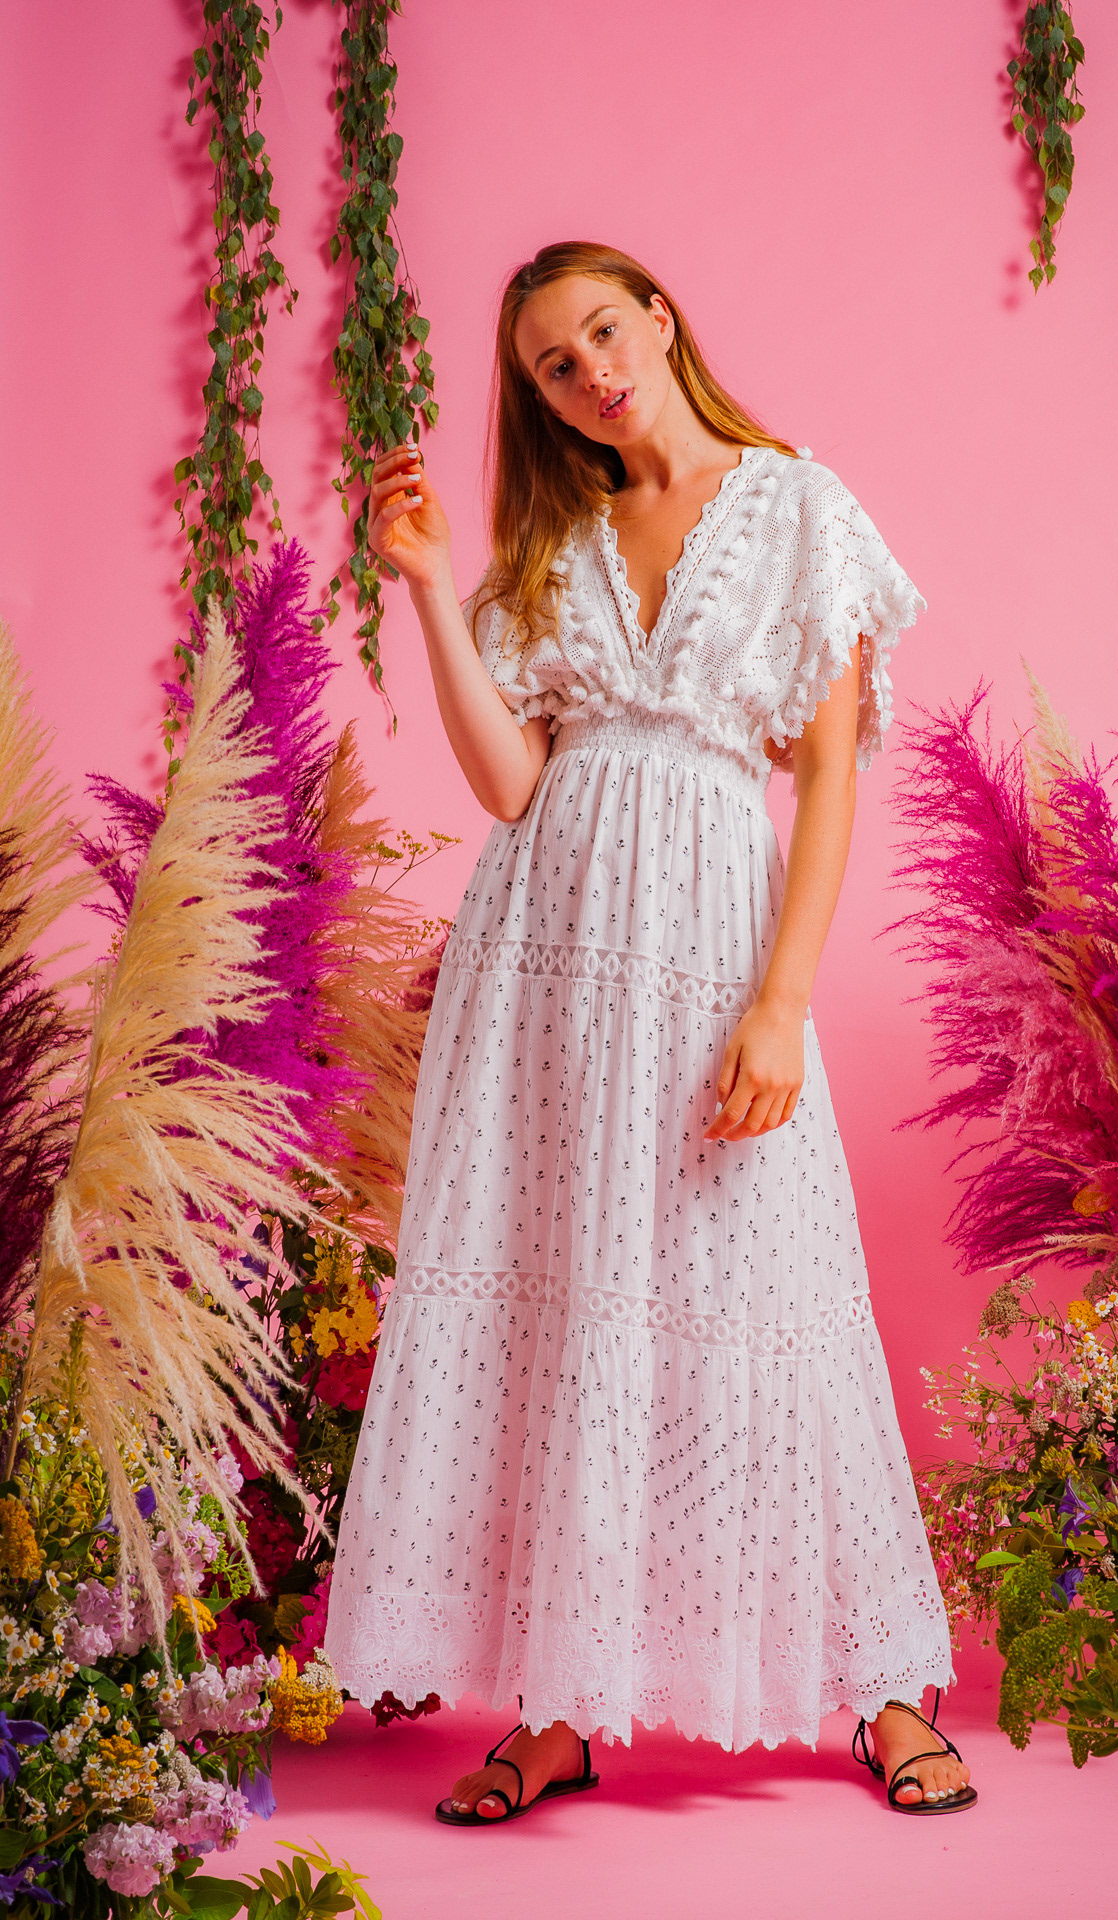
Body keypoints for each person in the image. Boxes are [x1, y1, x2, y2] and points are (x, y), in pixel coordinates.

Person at [323, 241, 976, 1821]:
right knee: (565, 1307)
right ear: (537, 397)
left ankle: (883, 1689)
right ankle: (561, 1708)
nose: (591, 374)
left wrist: (780, 1003)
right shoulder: (557, 539)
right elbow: (508, 783)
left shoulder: (799, 507)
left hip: (711, 954)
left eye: (603, 332)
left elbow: (826, 777)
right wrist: (427, 584)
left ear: (661, 318)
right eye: (554, 367)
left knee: (773, 1292)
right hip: (543, 968)